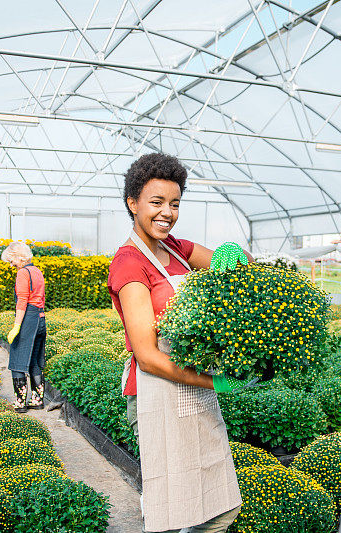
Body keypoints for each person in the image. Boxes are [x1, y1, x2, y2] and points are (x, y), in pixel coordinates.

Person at [107, 152, 253, 533]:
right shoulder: (129, 263)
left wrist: (234, 257)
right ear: (133, 203)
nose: (166, 213)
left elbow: (244, 266)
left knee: (218, 508)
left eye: (174, 203)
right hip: (158, 389)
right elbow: (149, 357)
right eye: (156, 203)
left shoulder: (177, 247)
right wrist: (218, 381)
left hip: (194, 386)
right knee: (173, 509)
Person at [1, 241, 47, 412]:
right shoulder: (37, 271)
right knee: (35, 361)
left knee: (17, 361)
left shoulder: (23, 273)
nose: (11, 264)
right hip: (40, 319)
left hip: (28, 318)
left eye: (11, 260)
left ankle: (20, 403)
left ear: (18, 257)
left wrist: (16, 326)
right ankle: (37, 400)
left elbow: (22, 301)